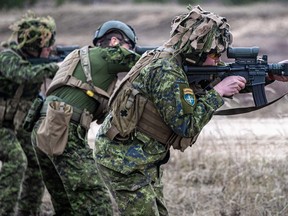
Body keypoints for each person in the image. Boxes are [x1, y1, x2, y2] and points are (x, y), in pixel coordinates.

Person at [93, 5, 246, 215]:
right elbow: (186, 125)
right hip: (122, 161)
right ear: (197, 52)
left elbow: (210, 82)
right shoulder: (167, 71)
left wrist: (268, 77)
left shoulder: (175, 59)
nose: (217, 61)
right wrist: (218, 93)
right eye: (214, 54)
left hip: (139, 158)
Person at [30, 20, 141, 215]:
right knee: (95, 199)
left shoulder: (78, 58)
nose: (129, 52)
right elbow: (144, 62)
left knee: (66, 202)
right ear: (114, 41)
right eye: (128, 47)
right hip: (64, 129)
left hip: (43, 128)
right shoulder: (108, 55)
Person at [0, 12, 59, 215]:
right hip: (2, 126)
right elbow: (21, 73)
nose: (50, 50)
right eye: (46, 46)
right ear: (34, 45)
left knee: (37, 161)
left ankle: (28, 211)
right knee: (17, 161)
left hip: (15, 124)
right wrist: (54, 68)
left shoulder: (39, 59)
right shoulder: (7, 56)